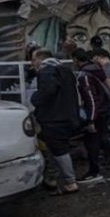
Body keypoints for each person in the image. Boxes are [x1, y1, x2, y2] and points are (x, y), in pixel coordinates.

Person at [30, 49, 80, 195]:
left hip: (54, 118)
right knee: (58, 149)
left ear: (40, 59)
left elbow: (48, 90)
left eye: (33, 59)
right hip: (68, 116)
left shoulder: (47, 72)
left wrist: (35, 99)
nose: (32, 63)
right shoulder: (65, 71)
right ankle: (55, 179)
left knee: (59, 151)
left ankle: (70, 182)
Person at [74, 49, 110, 182]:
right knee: (101, 139)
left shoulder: (85, 75)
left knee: (94, 140)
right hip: (104, 109)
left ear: (76, 60)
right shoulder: (97, 70)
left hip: (97, 112)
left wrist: (91, 119)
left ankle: (95, 170)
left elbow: (91, 98)